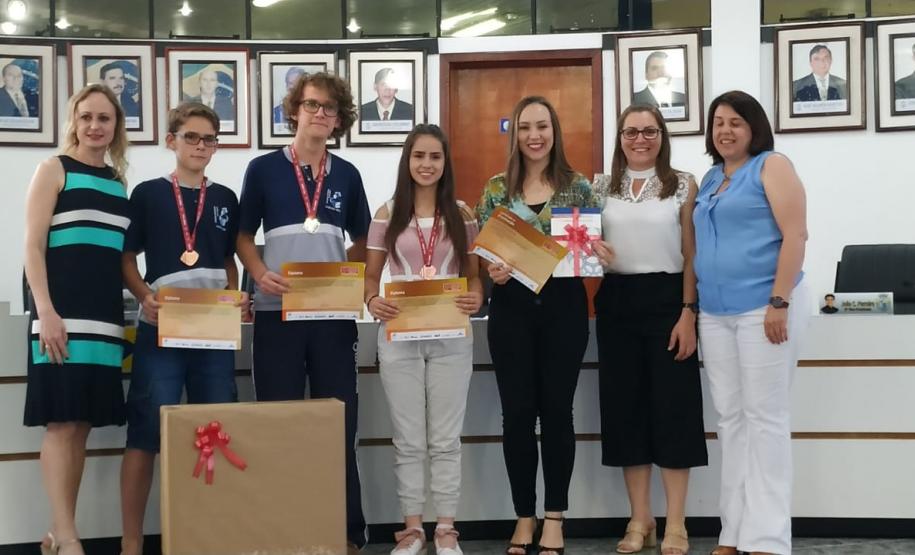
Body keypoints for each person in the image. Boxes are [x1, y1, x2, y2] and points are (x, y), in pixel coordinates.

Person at [236, 71, 370, 551]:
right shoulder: (263, 169)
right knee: (279, 421)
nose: (320, 114)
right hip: (278, 313)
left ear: (339, 120)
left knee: (339, 422)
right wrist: (256, 273)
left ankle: (347, 533)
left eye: (330, 109)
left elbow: (363, 240)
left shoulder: (348, 175)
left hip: (333, 320)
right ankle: (280, 531)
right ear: (294, 110)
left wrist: (348, 278)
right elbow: (242, 235)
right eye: (312, 105)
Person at [118, 102, 247, 555]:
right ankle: (131, 541)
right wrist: (143, 297)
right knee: (146, 432)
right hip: (162, 326)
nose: (200, 145)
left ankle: (207, 535)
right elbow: (126, 258)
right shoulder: (148, 194)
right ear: (171, 140)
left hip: (213, 330)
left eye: (209, 138)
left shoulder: (227, 198)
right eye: (190, 137)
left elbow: (230, 259)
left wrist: (236, 295)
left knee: (214, 430)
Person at [475, 95, 599, 555]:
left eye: (542, 126)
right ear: (515, 134)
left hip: (564, 309)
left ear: (554, 131)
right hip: (511, 312)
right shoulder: (494, 190)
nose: (534, 135)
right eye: (525, 127)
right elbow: (488, 255)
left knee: (558, 414)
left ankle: (555, 518)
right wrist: (494, 270)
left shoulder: (579, 188)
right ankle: (523, 516)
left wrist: (598, 255)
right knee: (518, 417)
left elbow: (589, 254)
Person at [694, 90, 810, 555]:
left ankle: (767, 538)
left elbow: (796, 234)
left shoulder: (772, 165)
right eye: (718, 122)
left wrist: (778, 300)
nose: (725, 130)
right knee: (731, 421)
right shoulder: (709, 178)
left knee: (765, 420)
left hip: (764, 309)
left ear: (754, 127)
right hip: (716, 314)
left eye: (735, 122)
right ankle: (734, 532)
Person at [591, 104, 707, 555]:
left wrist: (688, 311)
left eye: (649, 131)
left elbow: (691, 254)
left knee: (674, 411)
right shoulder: (599, 186)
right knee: (627, 414)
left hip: (667, 304)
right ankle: (640, 518)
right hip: (617, 301)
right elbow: (574, 240)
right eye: (630, 132)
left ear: (662, 135)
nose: (640, 139)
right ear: (619, 137)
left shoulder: (683, 185)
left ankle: (676, 521)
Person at [364, 124, 483, 555]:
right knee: (409, 437)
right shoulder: (387, 212)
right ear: (407, 161)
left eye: (435, 157)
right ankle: (412, 528)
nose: (427, 165)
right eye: (419, 156)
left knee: (446, 439)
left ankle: (446, 528)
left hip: (452, 333)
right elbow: (371, 278)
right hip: (400, 333)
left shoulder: (463, 214)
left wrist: (477, 295)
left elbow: (473, 275)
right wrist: (372, 300)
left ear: (445, 163)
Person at [23, 83, 130, 555]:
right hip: (59, 315)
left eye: (104, 118)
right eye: (86, 116)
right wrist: (45, 312)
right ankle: (68, 537)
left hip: (104, 318)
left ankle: (57, 531)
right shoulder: (53, 170)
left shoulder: (117, 182)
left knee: (82, 424)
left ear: (115, 126)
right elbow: (32, 246)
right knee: (61, 424)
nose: (94, 126)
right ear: (74, 120)